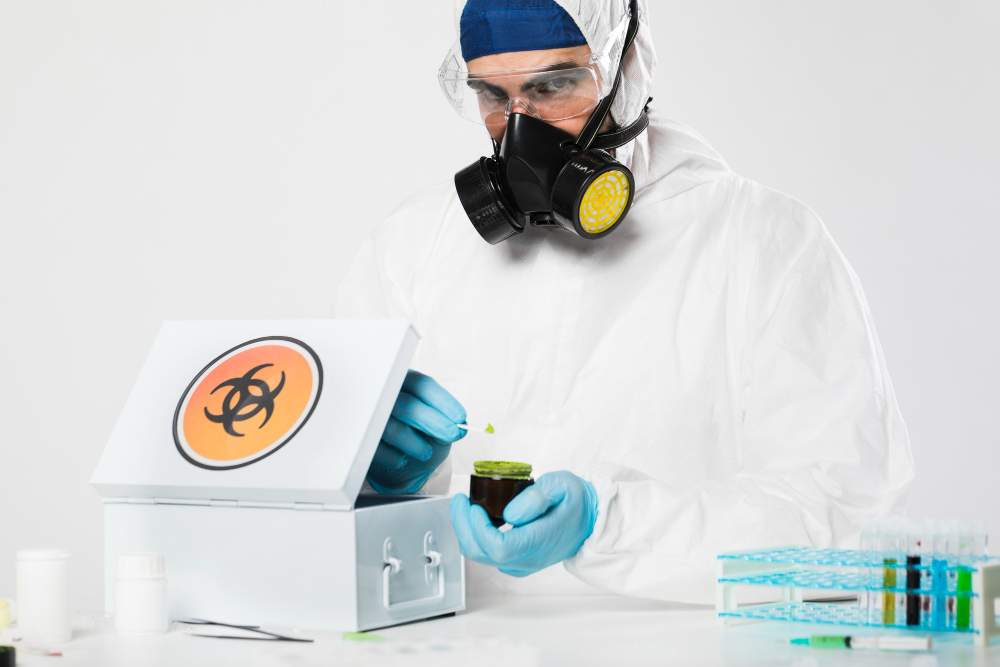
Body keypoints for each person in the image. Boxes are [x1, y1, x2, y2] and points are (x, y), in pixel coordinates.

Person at [333, 0, 914, 601]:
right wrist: (380, 480)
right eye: (491, 96)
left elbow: (848, 513)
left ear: (629, 69)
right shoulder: (414, 245)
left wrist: (604, 524)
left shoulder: (762, 241)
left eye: (554, 85)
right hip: (462, 647)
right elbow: (308, 510)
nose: (519, 129)